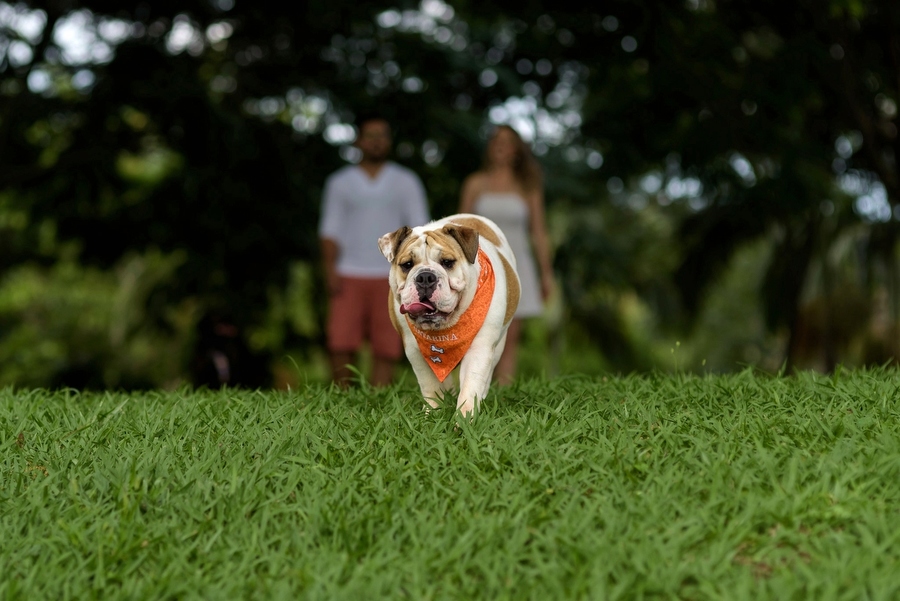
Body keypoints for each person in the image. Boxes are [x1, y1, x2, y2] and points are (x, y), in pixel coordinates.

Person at [318, 112, 430, 388]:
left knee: (387, 345)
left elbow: (420, 232)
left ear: (389, 141)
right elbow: (329, 231)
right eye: (371, 136)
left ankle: (378, 402)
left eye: (382, 136)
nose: (376, 142)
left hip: (392, 277)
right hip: (349, 272)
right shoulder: (339, 182)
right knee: (341, 342)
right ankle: (344, 400)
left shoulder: (407, 181)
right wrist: (330, 270)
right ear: (359, 141)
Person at [458, 124, 555, 385]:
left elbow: (539, 231)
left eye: (508, 141)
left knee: (509, 336)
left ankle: (503, 390)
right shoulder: (475, 184)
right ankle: (471, 391)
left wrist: (546, 274)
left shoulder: (528, 187)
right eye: (496, 141)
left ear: (516, 150)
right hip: (480, 265)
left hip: (517, 265)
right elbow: (460, 228)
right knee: (477, 331)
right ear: (490, 148)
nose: (501, 145)